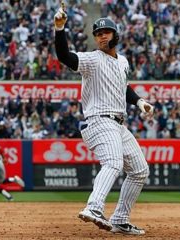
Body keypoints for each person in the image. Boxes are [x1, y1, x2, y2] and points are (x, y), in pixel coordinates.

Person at [53, 3, 154, 235]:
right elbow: (65, 56)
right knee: (113, 163)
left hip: (119, 124)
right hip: (99, 120)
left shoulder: (123, 62)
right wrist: (60, 29)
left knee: (139, 171)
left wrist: (139, 102)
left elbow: (124, 88)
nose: (101, 37)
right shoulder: (92, 59)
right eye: (98, 34)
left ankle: (120, 219)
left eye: (105, 32)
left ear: (115, 34)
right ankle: (94, 207)